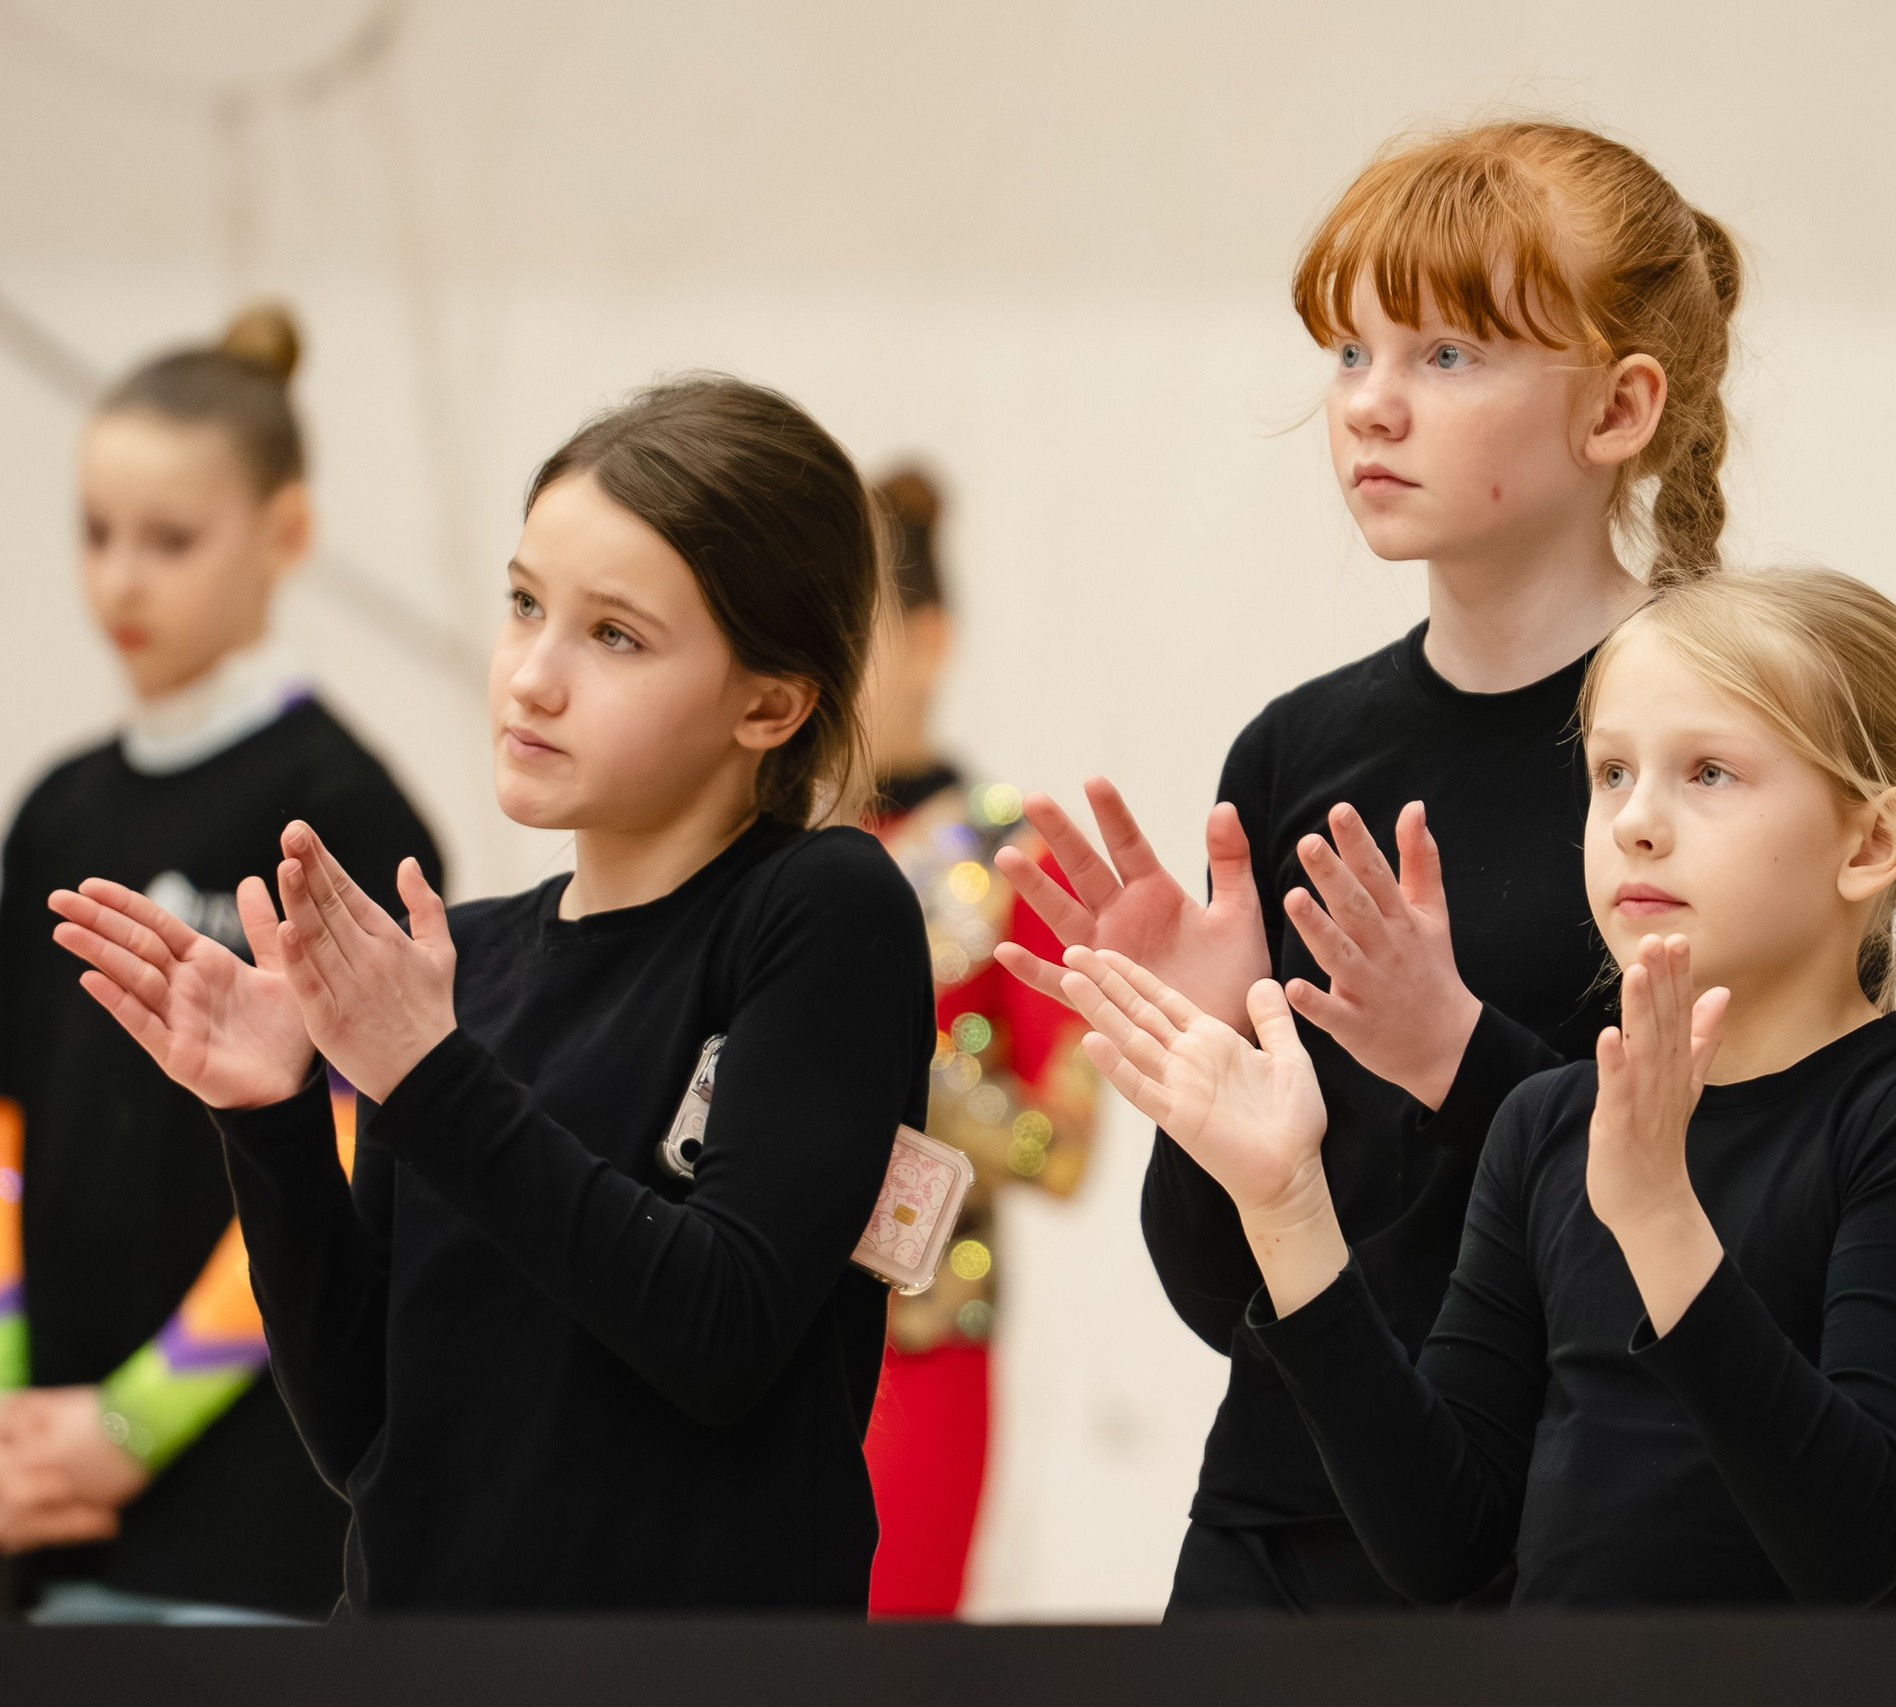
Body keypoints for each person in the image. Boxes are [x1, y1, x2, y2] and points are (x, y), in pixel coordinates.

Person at [993, 119, 1746, 1612]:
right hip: (1283, 1519)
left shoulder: (1718, 748)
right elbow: (1227, 1291)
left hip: (1572, 1535)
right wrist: (1202, 1071)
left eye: (1448, 356)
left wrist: (1457, 1052)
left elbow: (1738, 1209)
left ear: (1620, 407)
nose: (1372, 407)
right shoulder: (1296, 754)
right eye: (1349, 353)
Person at [45, 376, 933, 1611]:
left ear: (769, 702)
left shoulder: (821, 909)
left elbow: (721, 1330)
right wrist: (272, 1123)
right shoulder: (462, 961)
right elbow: (364, 1435)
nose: (530, 676)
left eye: (613, 635)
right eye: (524, 606)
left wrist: (428, 1075)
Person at [1056, 567, 1896, 1609]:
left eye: (1709, 773)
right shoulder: (1547, 1121)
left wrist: (1660, 1217)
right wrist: (1286, 1203)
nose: (1636, 823)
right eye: (1612, 773)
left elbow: (1852, 1550)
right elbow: (1446, 1549)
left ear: (1872, 841)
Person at [0, 304, 441, 1623]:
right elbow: (8, 1118)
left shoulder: (342, 808)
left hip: (253, 1509)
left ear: (284, 534)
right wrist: (17, 1406)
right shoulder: (58, 809)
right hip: (48, 1493)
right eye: (96, 533)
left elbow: (365, 1143)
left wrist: (135, 1420)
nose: (121, 580)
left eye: (170, 539)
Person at [858, 467, 1098, 1617]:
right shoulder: (754, 846)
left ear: (926, 638)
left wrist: (891, 1073)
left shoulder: (1010, 855)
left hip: (922, 1336)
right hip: (739, 1315)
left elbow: (1063, 1144)